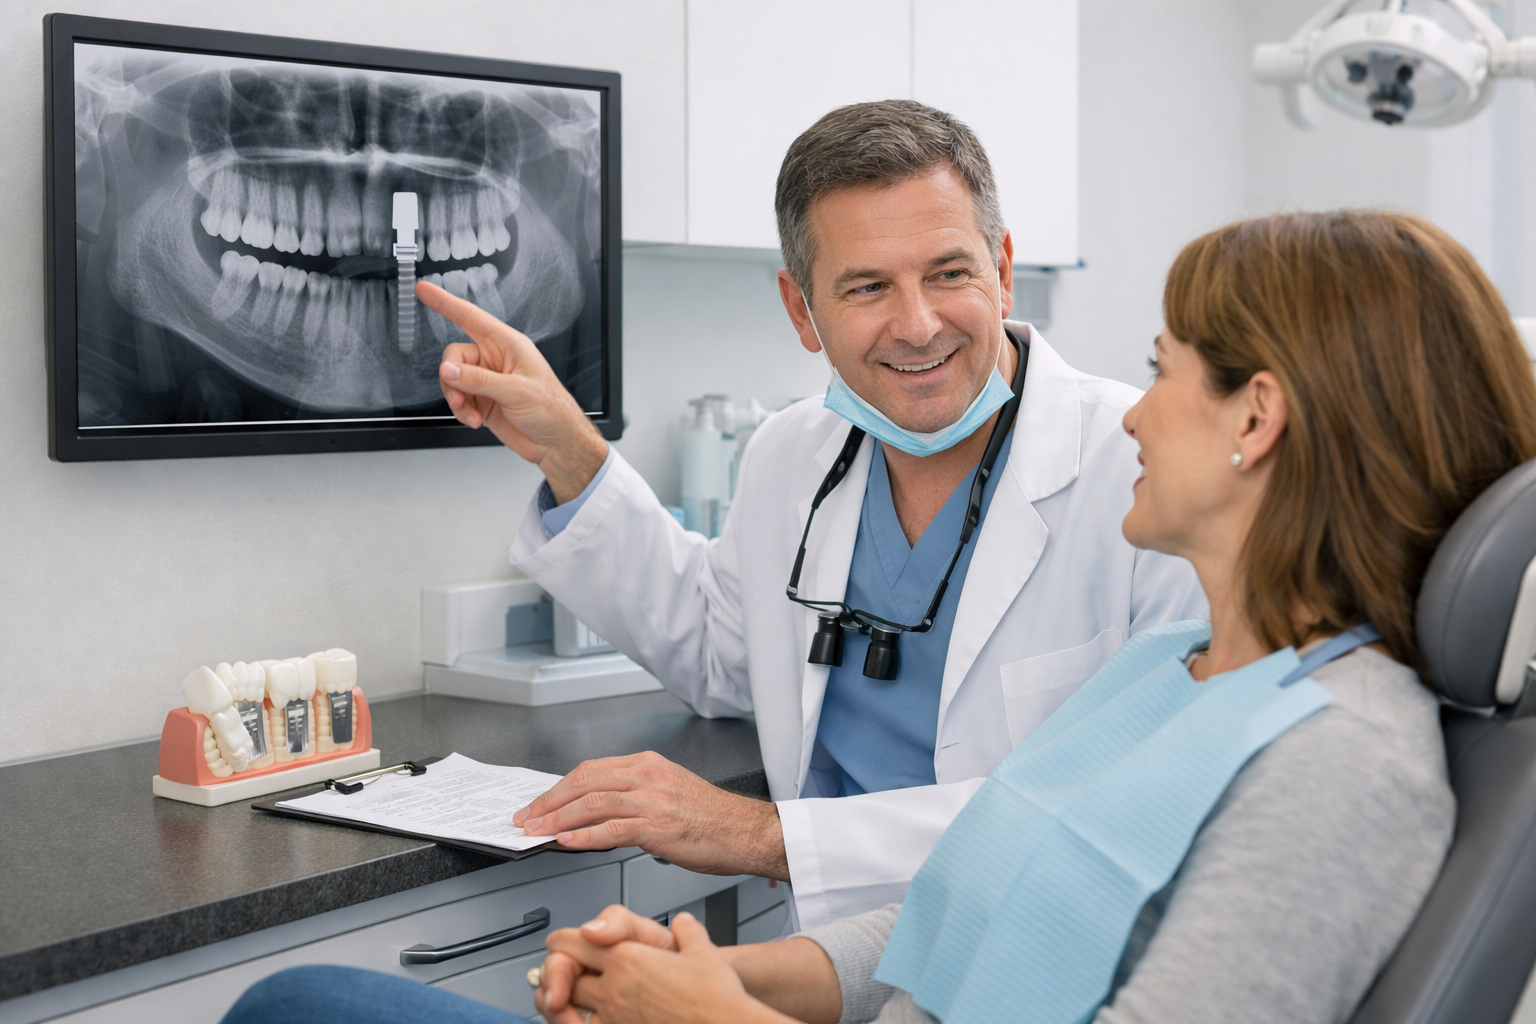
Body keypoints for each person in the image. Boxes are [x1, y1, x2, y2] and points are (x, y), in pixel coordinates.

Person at [502, 210, 1536, 1024]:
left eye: (1164, 366)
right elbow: (965, 917)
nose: (1134, 407)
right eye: (867, 285)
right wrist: (720, 976)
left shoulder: (1343, 766)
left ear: (1257, 418)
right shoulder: (1173, 670)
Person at [417, 99, 1204, 929]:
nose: (918, 323)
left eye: (949, 272)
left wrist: (767, 836)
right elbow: (723, 657)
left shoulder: (1141, 467)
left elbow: (1134, 806)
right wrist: (571, 454)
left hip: (1035, 968)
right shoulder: (792, 454)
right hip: (832, 968)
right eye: (868, 287)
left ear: (1002, 268)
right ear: (801, 310)